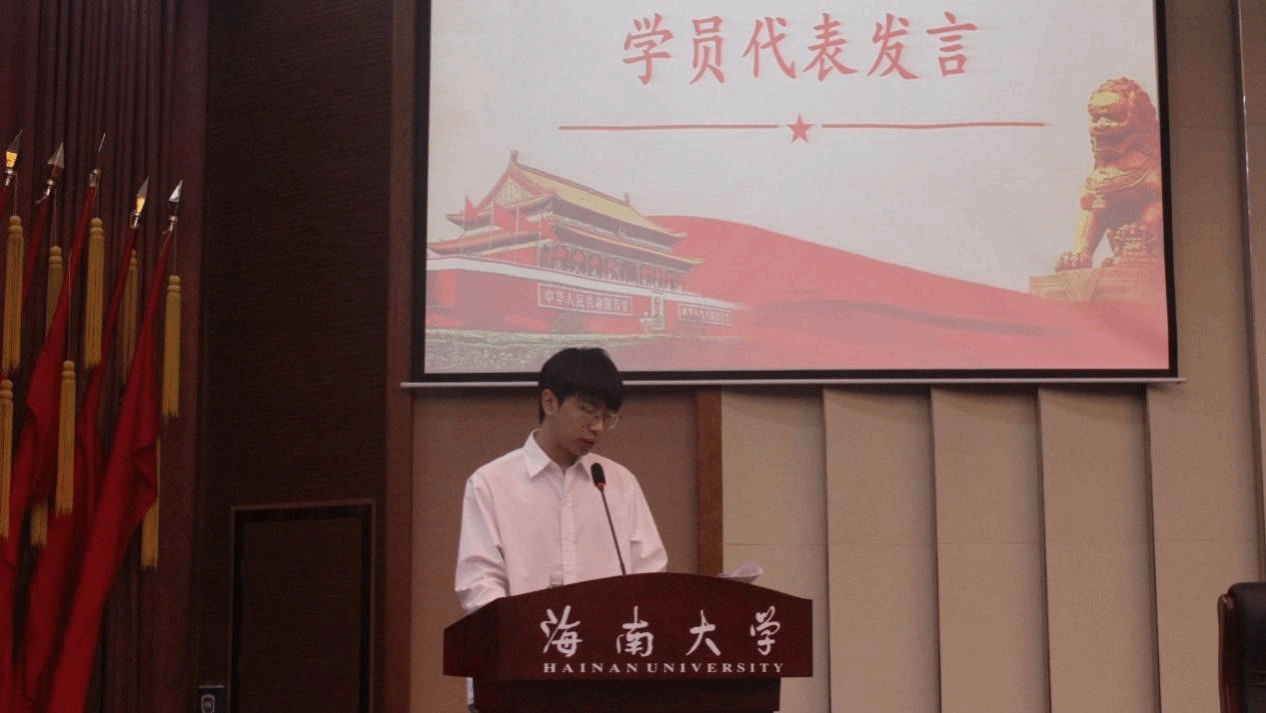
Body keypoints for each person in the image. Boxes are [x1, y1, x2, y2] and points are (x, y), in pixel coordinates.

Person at [454, 347, 668, 615]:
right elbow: (479, 581)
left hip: (608, 637)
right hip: (525, 636)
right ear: (549, 403)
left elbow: (650, 574)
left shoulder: (620, 483)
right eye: (588, 410)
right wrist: (515, 628)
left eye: (608, 418)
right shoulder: (490, 483)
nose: (598, 427)